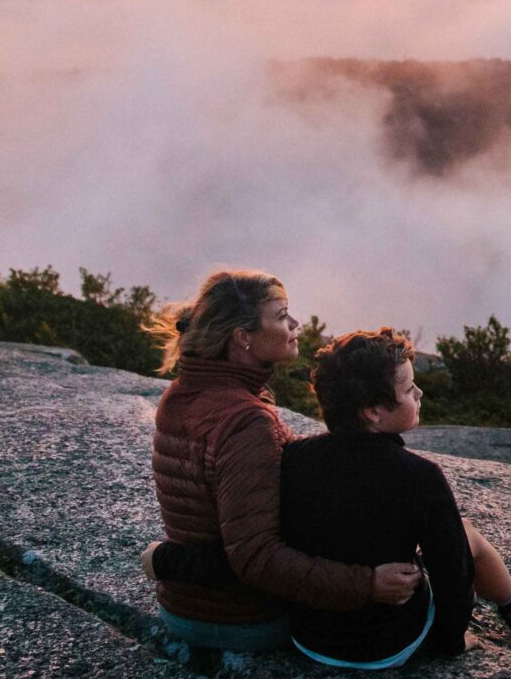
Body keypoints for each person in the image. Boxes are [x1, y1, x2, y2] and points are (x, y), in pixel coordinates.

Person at [140, 270, 420, 652]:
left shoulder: (180, 393)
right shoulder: (247, 420)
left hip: (181, 610)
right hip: (243, 621)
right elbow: (256, 557)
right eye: (281, 315)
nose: (295, 323)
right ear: (243, 338)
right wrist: (366, 584)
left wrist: (165, 561)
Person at [281, 327, 511, 668]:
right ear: (373, 411)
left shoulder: (295, 456)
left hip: (308, 638)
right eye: (409, 389)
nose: (420, 393)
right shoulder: (420, 477)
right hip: (385, 645)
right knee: (465, 534)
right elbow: (452, 579)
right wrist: (452, 640)